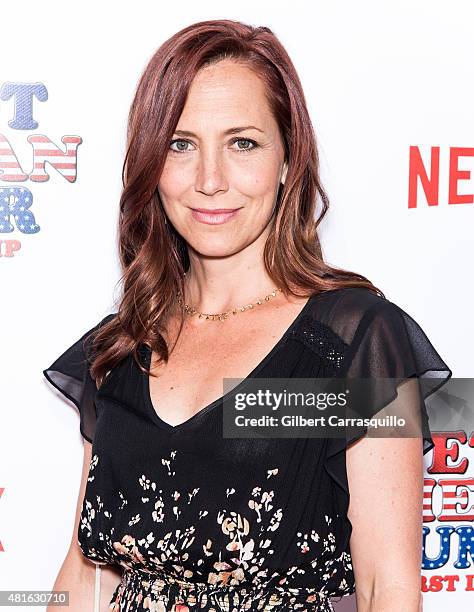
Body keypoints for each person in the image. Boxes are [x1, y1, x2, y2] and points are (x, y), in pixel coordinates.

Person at [42, 19, 452, 612]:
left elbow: (386, 587)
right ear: (152, 163)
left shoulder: (356, 343)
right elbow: (84, 579)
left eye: (243, 143)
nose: (210, 181)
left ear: (288, 158)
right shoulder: (119, 348)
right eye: (181, 145)